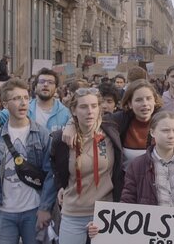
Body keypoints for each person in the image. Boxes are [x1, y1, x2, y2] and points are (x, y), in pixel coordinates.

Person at [0, 78, 56, 244]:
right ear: (4, 104)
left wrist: (45, 207)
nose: (23, 103)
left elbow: (51, 174)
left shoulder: (42, 135)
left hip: (34, 210)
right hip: (3, 211)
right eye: (17, 98)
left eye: (26, 98)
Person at [50, 88, 123, 243]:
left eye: (94, 106)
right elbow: (55, 167)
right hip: (73, 213)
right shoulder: (62, 140)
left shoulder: (111, 130)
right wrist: (60, 187)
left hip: (105, 212)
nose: (89, 111)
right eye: (83, 107)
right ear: (73, 110)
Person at [0, 68, 70, 130]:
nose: (45, 84)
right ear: (35, 87)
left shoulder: (66, 113)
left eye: (50, 82)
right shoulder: (23, 107)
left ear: (56, 89)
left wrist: (72, 126)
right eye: (42, 81)